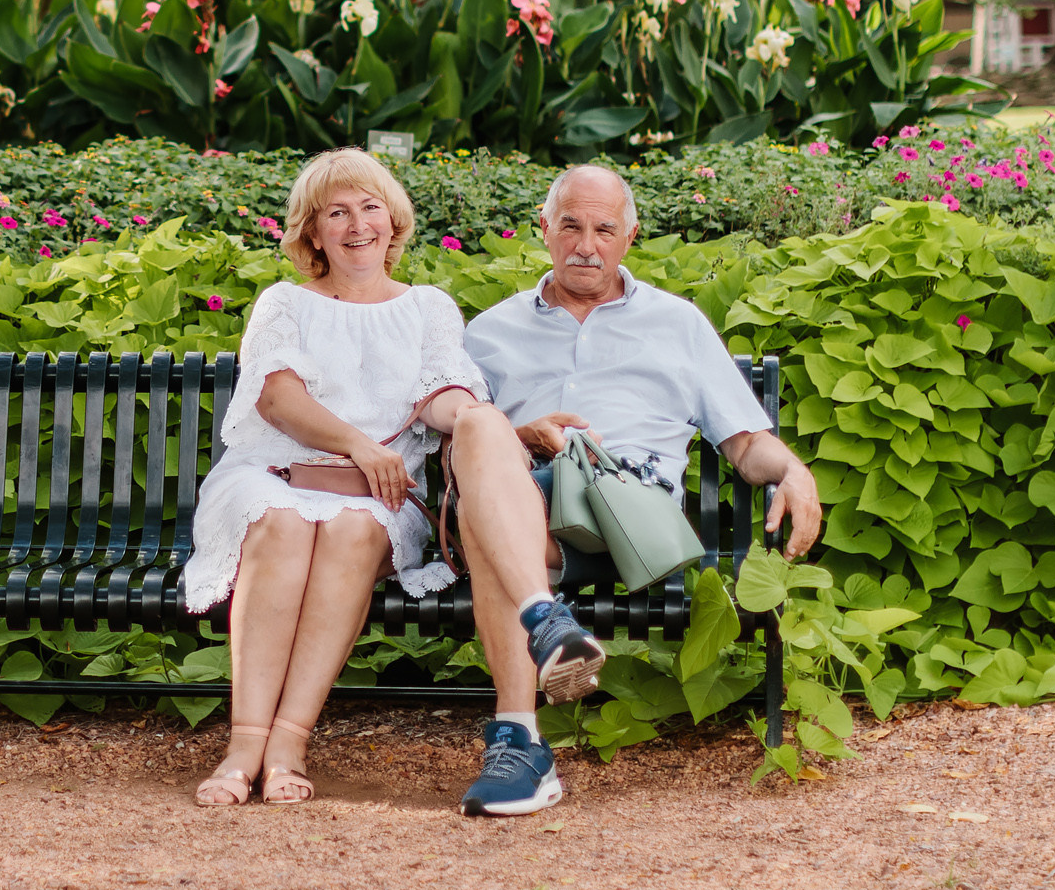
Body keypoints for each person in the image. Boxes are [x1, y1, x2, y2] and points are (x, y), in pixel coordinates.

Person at [183, 147, 553, 808]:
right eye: (337, 212)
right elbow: (277, 400)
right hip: (273, 473)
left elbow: (442, 392)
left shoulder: (429, 307)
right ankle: (244, 744)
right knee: (285, 522)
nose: (358, 224)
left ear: (394, 219)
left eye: (371, 206)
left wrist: (473, 417)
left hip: (371, 499)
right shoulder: (285, 302)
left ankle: (290, 741)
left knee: (353, 530)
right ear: (313, 232)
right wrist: (359, 445)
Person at [455, 162, 825, 817]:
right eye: (570, 225)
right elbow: (457, 447)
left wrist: (794, 469)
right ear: (544, 228)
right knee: (481, 429)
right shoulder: (488, 332)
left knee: (485, 527)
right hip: (530, 505)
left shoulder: (676, 324)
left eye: (603, 228)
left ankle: (517, 739)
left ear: (630, 235)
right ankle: (547, 626)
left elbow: (742, 441)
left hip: (629, 513)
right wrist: (523, 433)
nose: (585, 245)